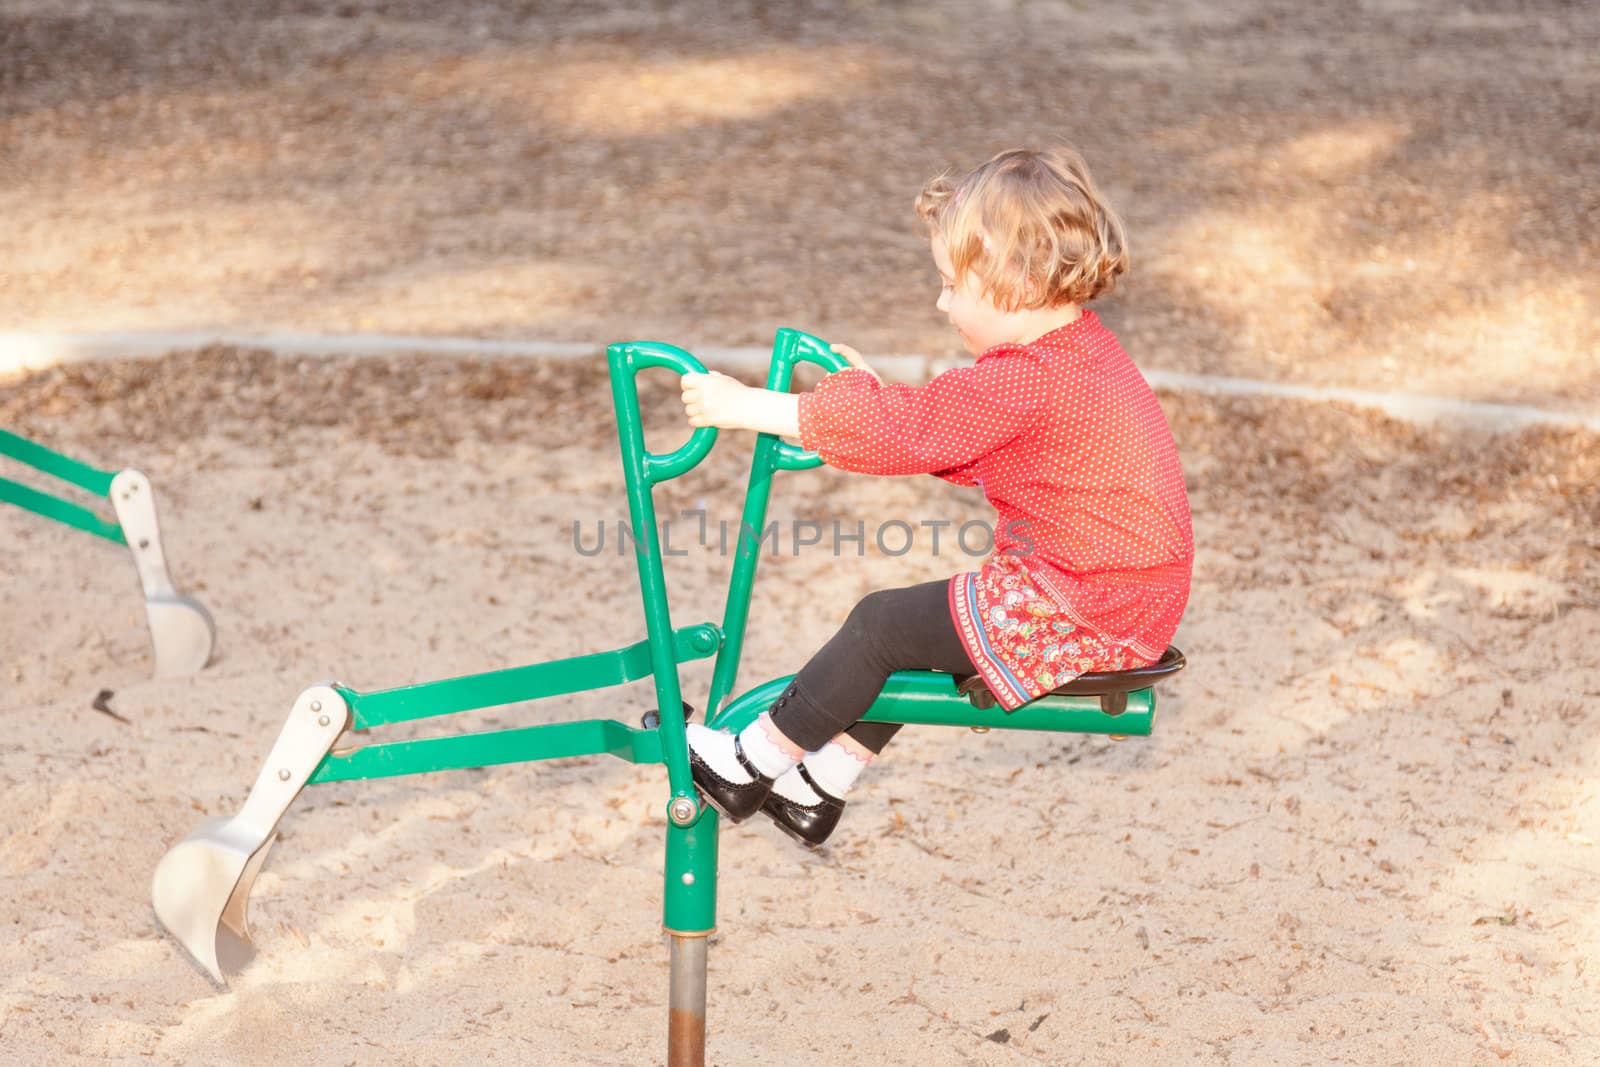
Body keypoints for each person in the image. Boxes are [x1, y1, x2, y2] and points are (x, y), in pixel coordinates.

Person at [677, 146, 1193, 848]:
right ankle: (818, 785)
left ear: (1015, 278)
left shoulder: (1027, 378)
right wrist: (868, 400)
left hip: (1082, 604)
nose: (942, 302)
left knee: (882, 624)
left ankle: (748, 763)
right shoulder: (1082, 353)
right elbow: (950, 432)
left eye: (954, 285)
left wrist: (748, 406)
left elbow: (907, 430)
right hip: (1124, 599)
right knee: (923, 630)